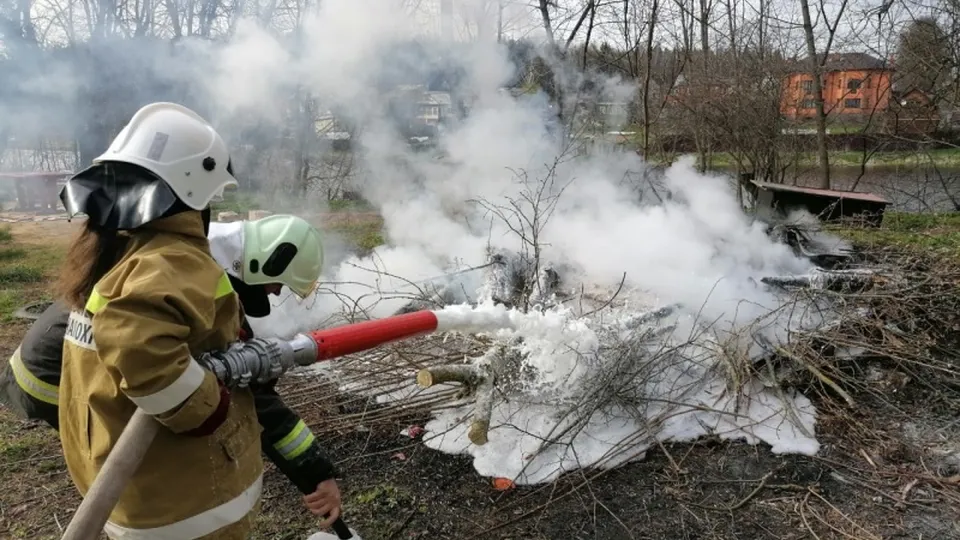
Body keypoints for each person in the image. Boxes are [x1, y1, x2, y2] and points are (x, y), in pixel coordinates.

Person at [50, 101, 311, 539]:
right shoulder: (171, 261)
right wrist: (211, 405)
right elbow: (143, 351)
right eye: (211, 193)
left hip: (132, 485)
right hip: (184, 502)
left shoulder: (119, 251)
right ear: (192, 182)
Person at [0, 214, 344, 526]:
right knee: (165, 450)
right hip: (48, 383)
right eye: (279, 284)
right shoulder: (195, 281)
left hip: (35, 368)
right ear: (267, 261)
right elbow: (254, 400)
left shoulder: (187, 252)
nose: (276, 293)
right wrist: (315, 474)